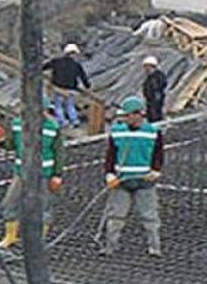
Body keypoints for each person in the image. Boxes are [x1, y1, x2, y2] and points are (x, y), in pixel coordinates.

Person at [0, 97, 65, 248]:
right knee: (10, 203)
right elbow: (11, 145)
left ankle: (38, 241)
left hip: (44, 174)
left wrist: (57, 175)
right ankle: (10, 237)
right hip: (22, 173)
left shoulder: (52, 127)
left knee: (43, 206)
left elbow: (59, 152)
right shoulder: (18, 124)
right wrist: (1, 139)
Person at [99, 96, 164, 257]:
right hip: (122, 181)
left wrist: (156, 170)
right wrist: (109, 174)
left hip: (144, 181)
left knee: (149, 216)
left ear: (138, 114)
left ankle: (155, 248)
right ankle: (110, 247)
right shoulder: (117, 132)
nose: (125, 119)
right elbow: (110, 155)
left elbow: (158, 154)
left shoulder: (153, 132)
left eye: (127, 115)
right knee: (116, 216)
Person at [43, 43, 91, 128]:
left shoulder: (56, 61)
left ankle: (62, 122)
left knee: (58, 106)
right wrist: (87, 86)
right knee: (70, 106)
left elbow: (44, 66)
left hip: (58, 88)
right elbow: (83, 77)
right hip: (70, 89)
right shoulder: (76, 65)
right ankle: (74, 120)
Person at [142, 56, 167, 122]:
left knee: (155, 116)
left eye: (148, 66)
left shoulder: (156, 77)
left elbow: (158, 87)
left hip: (155, 102)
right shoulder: (150, 78)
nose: (146, 69)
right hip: (150, 101)